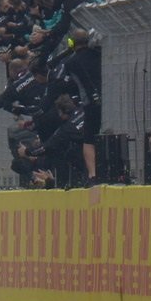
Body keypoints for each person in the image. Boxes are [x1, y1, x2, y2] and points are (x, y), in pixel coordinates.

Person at [53, 28, 102, 185]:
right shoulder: (99, 54)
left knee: (88, 139)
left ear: (71, 43)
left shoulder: (70, 62)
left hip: (89, 103)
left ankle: (93, 175)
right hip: (106, 99)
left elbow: (61, 80)